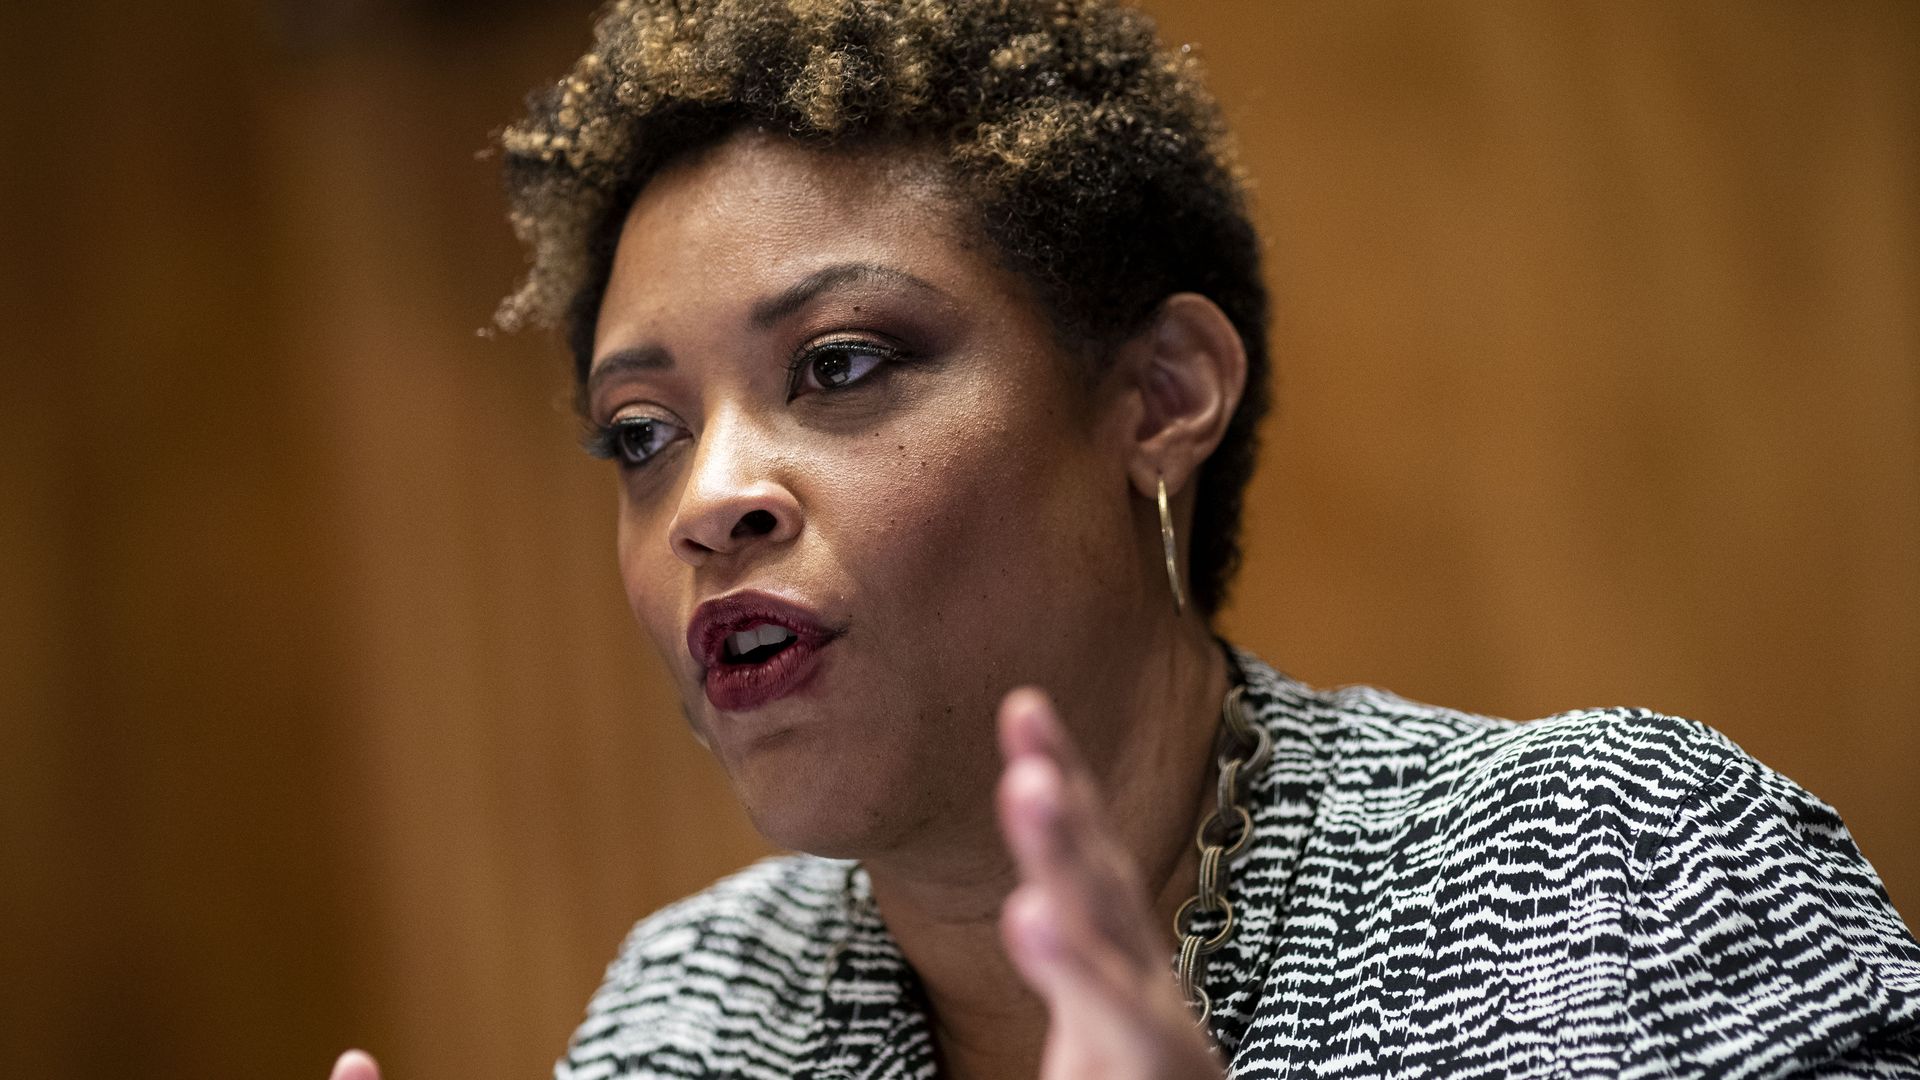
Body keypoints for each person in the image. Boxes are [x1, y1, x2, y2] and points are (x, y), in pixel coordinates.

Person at [331, 1, 1920, 1077]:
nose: (707, 501)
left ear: (1160, 395)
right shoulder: (692, 1022)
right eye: (640, 437)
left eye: (842, 365)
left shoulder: (1613, 880)